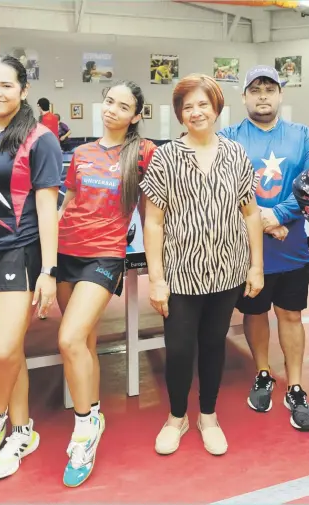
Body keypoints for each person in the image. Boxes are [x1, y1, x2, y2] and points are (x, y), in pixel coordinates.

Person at [140, 74, 264, 456]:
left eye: (203, 104)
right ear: (180, 114)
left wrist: (255, 266)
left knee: (213, 345)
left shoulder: (235, 154)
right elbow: (153, 221)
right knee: (178, 349)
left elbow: (250, 213)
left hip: (227, 272)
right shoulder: (166, 157)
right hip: (180, 275)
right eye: (187, 106)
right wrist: (157, 279)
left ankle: (207, 415)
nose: (196, 112)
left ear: (216, 108)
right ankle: (176, 417)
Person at [0, 54, 62, 480]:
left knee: (1, 349)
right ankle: (23, 431)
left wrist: (49, 271)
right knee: (10, 352)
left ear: (22, 90)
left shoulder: (40, 139)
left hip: (20, 253)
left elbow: (46, 209)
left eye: (5, 85)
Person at [56, 81, 156, 487]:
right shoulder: (80, 153)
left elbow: (152, 215)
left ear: (136, 116)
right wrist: (47, 260)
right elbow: (67, 203)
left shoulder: (144, 152)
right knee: (85, 342)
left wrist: (158, 270)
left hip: (105, 255)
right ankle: (93, 409)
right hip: (66, 251)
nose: (113, 109)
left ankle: (84, 430)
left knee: (68, 339)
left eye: (124, 106)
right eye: (109, 101)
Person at [219, 65, 309, 431]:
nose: (262, 96)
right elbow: (223, 188)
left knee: (290, 314)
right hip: (248, 248)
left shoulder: (302, 135)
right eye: (255, 89)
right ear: (244, 97)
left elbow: (308, 184)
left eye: (269, 89)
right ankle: (262, 373)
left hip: (293, 245)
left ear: (280, 95)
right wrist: (260, 221)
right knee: (254, 313)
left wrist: (279, 216)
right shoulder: (227, 137)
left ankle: (297, 386)